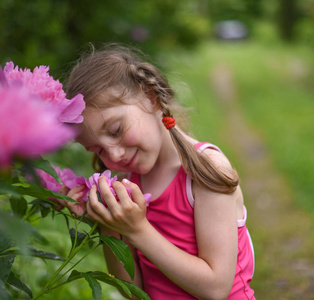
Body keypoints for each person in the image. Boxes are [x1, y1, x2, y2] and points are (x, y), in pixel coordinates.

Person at [59, 45, 255, 299]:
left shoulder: (205, 171)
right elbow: (133, 291)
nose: (114, 156)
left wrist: (136, 230)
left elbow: (216, 288)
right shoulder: (130, 185)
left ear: (151, 97)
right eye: (97, 150)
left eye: (116, 130)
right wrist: (109, 223)